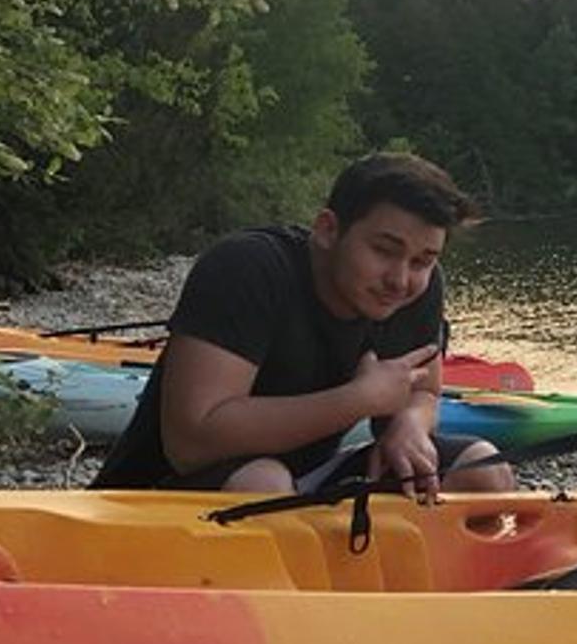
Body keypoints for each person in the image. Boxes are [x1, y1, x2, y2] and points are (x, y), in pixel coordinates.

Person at [92, 152, 514, 497]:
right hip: (156, 497)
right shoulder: (247, 268)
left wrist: (409, 426)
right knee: (263, 484)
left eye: (423, 260)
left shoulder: (415, 290)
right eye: (385, 250)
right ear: (328, 230)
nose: (401, 279)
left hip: (307, 482)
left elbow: (423, 389)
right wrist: (359, 399)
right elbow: (191, 442)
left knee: (483, 470)